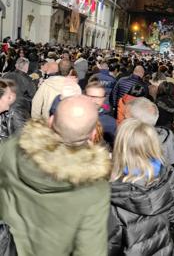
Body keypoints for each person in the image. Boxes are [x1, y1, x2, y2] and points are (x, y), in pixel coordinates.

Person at [0, 95, 111, 256]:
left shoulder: (13, 148)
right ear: (93, 134)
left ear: (51, 121)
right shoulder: (94, 189)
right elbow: (90, 250)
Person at [108, 118, 174, 256]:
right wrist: (167, 226)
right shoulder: (173, 183)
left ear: (120, 146)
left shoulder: (111, 195)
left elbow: (106, 247)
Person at [125, 97, 174, 164]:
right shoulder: (163, 144)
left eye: (125, 119)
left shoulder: (140, 156)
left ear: (139, 125)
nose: (122, 123)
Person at [85, 81, 116, 149]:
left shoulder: (111, 123)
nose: (94, 101)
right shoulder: (75, 116)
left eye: (99, 97)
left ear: (104, 99)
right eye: (91, 96)